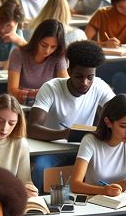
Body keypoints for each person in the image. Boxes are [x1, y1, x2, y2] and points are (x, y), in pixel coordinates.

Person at [27, 40, 115, 192]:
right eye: (79, 76)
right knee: (41, 168)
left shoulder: (99, 86)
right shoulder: (51, 88)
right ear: (69, 72)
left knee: (107, 171)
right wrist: (65, 134)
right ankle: (39, 206)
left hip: (84, 149)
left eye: (90, 77)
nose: (85, 83)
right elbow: (32, 128)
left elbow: (118, 112)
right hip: (52, 149)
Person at [7, 18, 67, 106]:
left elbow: (65, 86)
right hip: (22, 106)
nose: (47, 51)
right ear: (36, 40)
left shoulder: (58, 55)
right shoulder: (18, 53)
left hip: (48, 107)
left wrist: (31, 93)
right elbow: (12, 91)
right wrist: (46, 92)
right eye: (44, 45)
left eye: (53, 47)